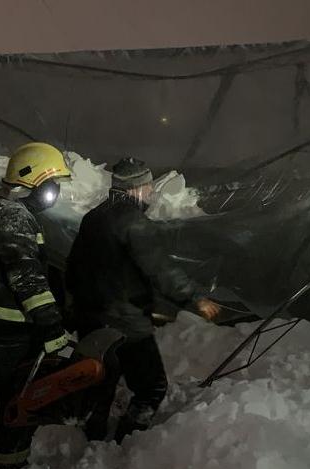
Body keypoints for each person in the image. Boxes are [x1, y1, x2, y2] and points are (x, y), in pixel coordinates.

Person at [65, 157, 220, 442]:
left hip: (91, 319)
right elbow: (160, 269)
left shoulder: (93, 218)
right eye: (147, 186)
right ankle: (129, 442)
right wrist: (195, 298)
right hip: (125, 323)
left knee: (100, 382)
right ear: (135, 188)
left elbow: (72, 268)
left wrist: (76, 308)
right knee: (151, 387)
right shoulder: (134, 223)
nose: (150, 192)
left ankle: (91, 441)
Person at [0, 142, 72, 469]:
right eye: (51, 183)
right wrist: (51, 326)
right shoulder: (15, 217)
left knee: (12, 395)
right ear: (33, 180)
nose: (54, 191)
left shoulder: (0, 209)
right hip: (10, 327)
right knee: (19, 400)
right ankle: (8, 468)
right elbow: (27, 278)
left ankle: (8, 460)